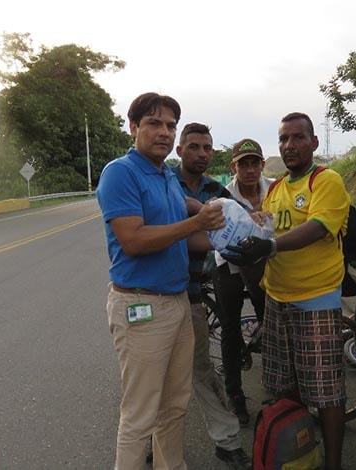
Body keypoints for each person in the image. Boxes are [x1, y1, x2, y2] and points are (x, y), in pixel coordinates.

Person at [97, 93, 224, 469]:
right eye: (154, 123)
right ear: (134, 127)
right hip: (141, 306)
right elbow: (133, 240)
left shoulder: (166, 175)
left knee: (174, 405)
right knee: (139, 414)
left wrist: (229, 226)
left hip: (177, 303)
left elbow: (185, 217)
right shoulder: (120, 172)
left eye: (170, 125)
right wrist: (196, 222)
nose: (164, 132)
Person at [224, 113, 350, 470]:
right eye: (283, 139)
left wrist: (270, 248)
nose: (289, 145)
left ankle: (334, 463)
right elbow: (266, 230)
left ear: (314, 142)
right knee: (285, 386)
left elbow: (317, 228)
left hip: (316, 301)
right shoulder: (277, 189)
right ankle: (300, 454)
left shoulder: (326, 181)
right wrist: (243, 240)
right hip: (277, 300)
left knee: (326, 391)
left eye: (297, 138)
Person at [170, 123, 252, 469]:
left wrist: (253, 225)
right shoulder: (164, 183)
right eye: (194, 147)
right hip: (158, 291)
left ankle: (227, 440)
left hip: (192, 294)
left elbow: (241, 221)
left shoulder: (215, 189)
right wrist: (222, 240)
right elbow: (172, 238)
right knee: (156, 379)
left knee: (201, 369)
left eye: (207, 147)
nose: (201, 153)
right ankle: (153, 443)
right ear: (180, 150)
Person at [212, 138, 273, 424]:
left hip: (263, 263)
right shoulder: (223, 195)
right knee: (230, 328)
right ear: (233, 167)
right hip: (229, 265)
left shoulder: (274, 189)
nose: (250, 170)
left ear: (262, 164)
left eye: (254, 163)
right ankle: (235, 395)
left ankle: (276, 389)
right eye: (243, 164)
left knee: (271, 322)